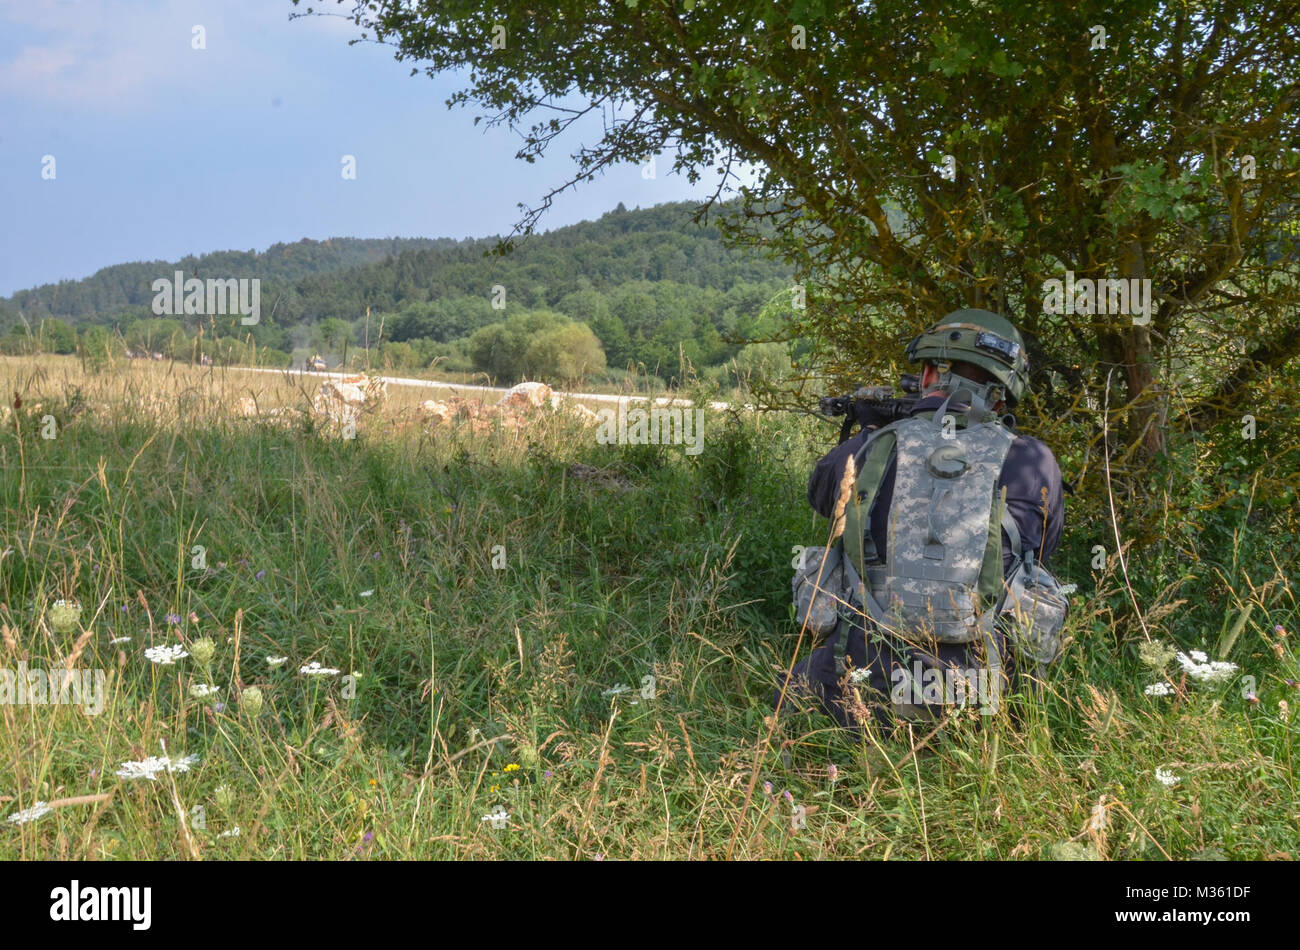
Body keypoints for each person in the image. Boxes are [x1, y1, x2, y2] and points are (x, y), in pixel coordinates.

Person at [777, 309, 1066, 731]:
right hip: (983, 691)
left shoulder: (877, 445)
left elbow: (823, 498)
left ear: (931, 371)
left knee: (786, 697)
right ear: (1002, 394)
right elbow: (1041, 547)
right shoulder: (1032, 460)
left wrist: (871, 431)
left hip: (860, 681)